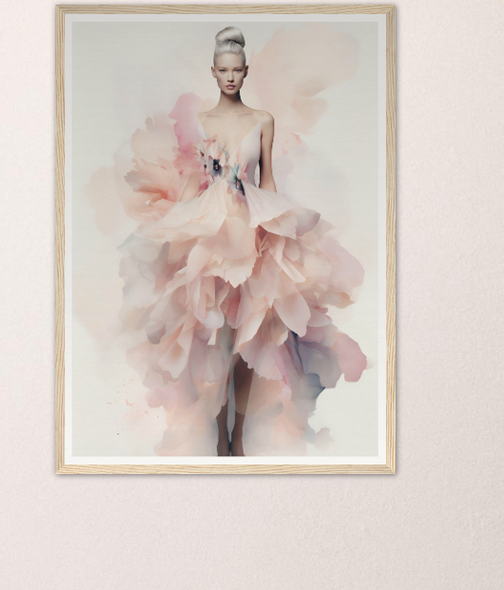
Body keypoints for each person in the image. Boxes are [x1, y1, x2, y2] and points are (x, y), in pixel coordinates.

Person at [116, 26, 367, 455]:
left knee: (248, 340)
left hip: (251, 233)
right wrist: (182, 230)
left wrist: (277, 232)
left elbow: (266, 182)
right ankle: (217, 436)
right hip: (211, 235)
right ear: (213, 73)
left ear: (245, 72)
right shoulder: (203, 123)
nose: (230, 77)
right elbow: (198, 186)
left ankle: (239, 438)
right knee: (215, 339)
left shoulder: (262, 121)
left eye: (237, 70)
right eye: (223, 70)